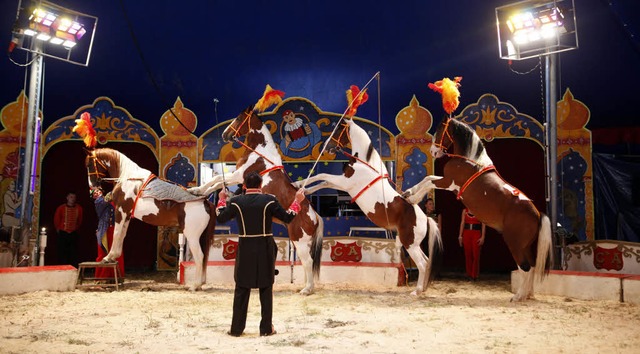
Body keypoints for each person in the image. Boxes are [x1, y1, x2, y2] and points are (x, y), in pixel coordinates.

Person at [216, 172, 305, 337]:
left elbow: (221, 217)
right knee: (265, 287)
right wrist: (296, 202)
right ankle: (265, 329)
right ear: (260, 185)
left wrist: (222, 198)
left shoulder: (235, 202)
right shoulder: (269, 200)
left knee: (242, 288)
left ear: (244, 186)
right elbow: (287, 217)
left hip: (245, 247)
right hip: (265, 247)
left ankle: (236, 329)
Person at [91, 187, 124, 279]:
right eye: (95, 192)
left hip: (114, 229)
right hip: (104, 230)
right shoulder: (98, 202)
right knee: (103, 253)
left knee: (116, 253)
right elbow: (108, 197)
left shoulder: (112, 202)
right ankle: (101, 278)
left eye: (98, 191)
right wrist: (117, 187)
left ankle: (116, 277)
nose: (97, 193)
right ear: (93, 196)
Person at [54, 191, 83, 267]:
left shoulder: (79, 208)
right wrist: (59, 230)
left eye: (74, 197)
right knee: (62, 253)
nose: (72, 199)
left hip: (73, 233)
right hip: (63, 233)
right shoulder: (61, 208)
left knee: (73, 253)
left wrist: (75, 229)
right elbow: (57, 220)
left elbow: (79, 221)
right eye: (71, 197)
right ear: (67, 198)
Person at [458, 208, 485, 281]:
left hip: (476, 233)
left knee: (476, 255)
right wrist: (460, 235)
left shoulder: (480, 211)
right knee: (468, 254)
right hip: (466, 233)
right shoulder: (465, 211)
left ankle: (474, 275)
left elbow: (483, 224)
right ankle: (469, 274)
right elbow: (462, 223)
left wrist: (483, 237)